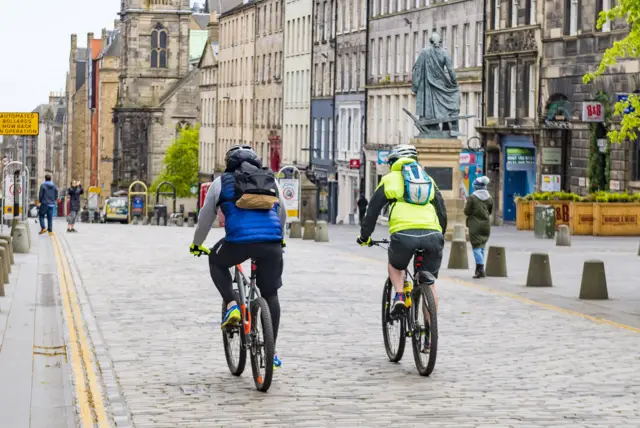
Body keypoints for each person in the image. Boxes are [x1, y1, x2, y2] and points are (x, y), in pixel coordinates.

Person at [189, 145, 286, 369]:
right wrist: (279, 239)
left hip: (238, 243)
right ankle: (271, 352)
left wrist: (197, 244)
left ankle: (232, 304)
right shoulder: (270, 179)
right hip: (271, 244)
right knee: (271, 294)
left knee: (215, 259)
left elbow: (205, 218)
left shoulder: (221, 182)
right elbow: (282, 212)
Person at [357, 144, 447, 317]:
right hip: (433, 235)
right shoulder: (428, 179)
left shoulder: (389, 179)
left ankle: (399, 295)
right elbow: (441, 210)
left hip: (404, 234)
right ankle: (429, 337)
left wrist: (365, 236)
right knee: (430, 284)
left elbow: (372, 211)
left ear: (393, 162)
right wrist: (440, 235)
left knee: (395, 266)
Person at [464, 176, 493, 279]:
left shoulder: (472, 197)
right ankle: (479, 270)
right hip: (486, 225)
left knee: (476, 247)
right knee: (481, 247)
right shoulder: (489, 197)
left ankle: (480, 270)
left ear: (475, 187)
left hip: (475, 225)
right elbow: (490, 211)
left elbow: (466, 211)